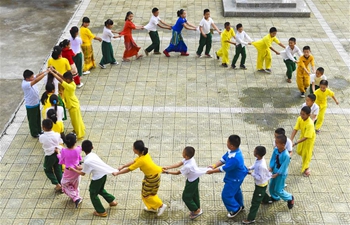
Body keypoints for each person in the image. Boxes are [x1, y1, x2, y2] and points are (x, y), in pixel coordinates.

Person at [114, 140, 167, 216]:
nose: (132, 149)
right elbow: (134, 162)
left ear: (137, 150)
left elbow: (129, 169)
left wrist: (117, 173)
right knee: (150, 193)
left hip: (152, 178)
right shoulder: (144, 154)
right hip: (153, 176)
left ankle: (161, 205)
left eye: (133, 148)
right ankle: (153, 208)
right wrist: (123, 166)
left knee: (146, 195)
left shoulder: (141, 160)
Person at [69, 140, 118, 217]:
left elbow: (83, 173)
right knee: (100, 190)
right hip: (103, 175)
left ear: (82, 149)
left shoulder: (87, 161)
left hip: (97, 179)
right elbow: (89, 167)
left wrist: (73, 169)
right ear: (92, 147)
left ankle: (101, 211)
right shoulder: (93, 155)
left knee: (93, 194)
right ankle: (112, 201)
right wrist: (80, 168)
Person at [206, 135, 248, 218]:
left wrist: (212, 171)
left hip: (235, 178)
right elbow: (223, 159)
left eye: (227, 142)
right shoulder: (232, 151)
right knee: (236, 191)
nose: (226, 143)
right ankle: (240, 205)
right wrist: (214, 165)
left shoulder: (234, 159)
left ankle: (235, 209)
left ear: (231, 145)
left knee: (226, 195)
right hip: (236, 176)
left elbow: (224, 168)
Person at [162, 146, 208, 219]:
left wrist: (167, 172)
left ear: (186, 156)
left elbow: (177, 172)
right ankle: (197, 208)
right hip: (195, 179)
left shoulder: (188, 166)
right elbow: (178, 164)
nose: (182, 153)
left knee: (186, 197)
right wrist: (167, 167)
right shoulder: (190, 159)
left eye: (183, 152)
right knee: (194, 195)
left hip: (192, 182)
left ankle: (196, 210)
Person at [49, 68, 85, 139]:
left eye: (66, 79)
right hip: (71, 105)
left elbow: (61, 80)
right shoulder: (69, 82)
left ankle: (79, 134)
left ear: (68, 79)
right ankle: (76, 130)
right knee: (74, 120)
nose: (65, 80)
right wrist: (56, 71)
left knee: (76, 120)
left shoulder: (70, 86)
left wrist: (53, 73)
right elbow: (62, 78)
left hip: (73, 105)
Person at [242, 146, 272, 224]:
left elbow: (260, 178)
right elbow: (254, 165)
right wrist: (249, 168)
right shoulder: (259, 159)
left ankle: (251, 218)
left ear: (257, 154)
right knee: (262, 193)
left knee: (255, 202)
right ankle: (267, 200)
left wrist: (251, 173)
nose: (253, 152)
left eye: (254, 151)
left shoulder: (261, 166)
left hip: (261, 184)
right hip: (261, 184)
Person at [57, 133, 83, 207]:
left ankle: (76, 198)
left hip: (68, 171)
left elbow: (61, 160)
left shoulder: (64, 151)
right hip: (77, 170)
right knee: (75, 185)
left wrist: (58, 153)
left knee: (64, 184)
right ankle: (77, 197)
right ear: (75, 142)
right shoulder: (78, 149)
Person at [269, 135, 294, 209]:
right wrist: (271, 167)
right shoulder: (276, 150)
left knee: (278, 189)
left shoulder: (286, 155)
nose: (275, 144)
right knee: (271, 186)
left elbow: (284, 166)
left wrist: (277, 174)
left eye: (277, 143)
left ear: (283, 144)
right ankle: (275, 197)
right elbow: (273, 159)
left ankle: (290, 198)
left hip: (281, 174)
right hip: (275, 171)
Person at [290, 106, 316, 177]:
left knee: (306, 154)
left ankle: (307, 168)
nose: (301, 115)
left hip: (309, 140)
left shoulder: (310, 124)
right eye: (301, 113)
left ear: (308, 115)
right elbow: (295, 129)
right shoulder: (299, 119)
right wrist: (291, 140)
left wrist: (295, 143)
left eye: (303, 114)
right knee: (299, 151)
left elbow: (307, 137)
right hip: (302, 136)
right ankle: (307, 157)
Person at [39, 119, 63, 191]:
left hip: (49, 155)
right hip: (57, 153)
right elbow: (60, 142)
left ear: (43, 127)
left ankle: (56, 184)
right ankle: (62, 185)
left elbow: (41, 142)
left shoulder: (42, 137)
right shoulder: (57, 135)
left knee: (47, 169)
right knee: (58, 169)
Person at [22, 69, 47, 137]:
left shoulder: (30, 79)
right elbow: (36, 80)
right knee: (32, 120)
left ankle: (39, 130)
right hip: (31, 105)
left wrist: (46, 71)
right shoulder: (25, 84)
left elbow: (37, 75)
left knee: (37, 118)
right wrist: (46, 73)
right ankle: (34, 133)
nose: (33, 77)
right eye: (32, 77)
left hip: (36, 103)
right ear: (27, 78)